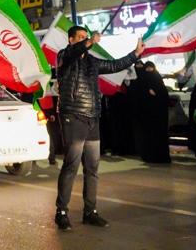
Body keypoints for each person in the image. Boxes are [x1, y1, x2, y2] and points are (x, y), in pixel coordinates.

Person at [53, 25, 142, 231]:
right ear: (71, 40)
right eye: (80, 37)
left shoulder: (92, 62)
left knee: (92, 168)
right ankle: (61, 213)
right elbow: (74, 52)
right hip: (73, 115)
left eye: (86, 37)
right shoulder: (65, 57)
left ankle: (90, 212)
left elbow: (114, 65)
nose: (84, 40)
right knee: (71, 165)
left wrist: (135, 54)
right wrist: (89, 41)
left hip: (92, 117)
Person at [129, 61, 171, 164]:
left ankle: (161, 156)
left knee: (159, 136)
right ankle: (149, 155)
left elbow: (165, 98)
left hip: (159, 117)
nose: (149, 71)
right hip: (148, 117)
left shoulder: (159, 83)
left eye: (151, 69)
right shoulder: (143, 85)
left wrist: (157, 94)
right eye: (147, 69)